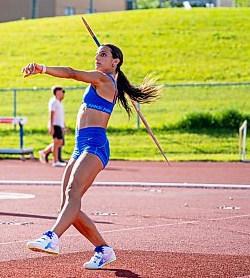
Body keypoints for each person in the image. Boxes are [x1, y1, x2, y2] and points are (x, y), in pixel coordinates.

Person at [22, 43, 161, 269]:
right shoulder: (103, 78)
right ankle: (103, 250)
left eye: (103, 55)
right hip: (80, 145)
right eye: (97, 55)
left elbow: (72, 73)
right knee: (68, 205)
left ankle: (52, 237)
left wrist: (43, 68)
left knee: (72, 193)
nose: (97, 58)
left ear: (115, 62)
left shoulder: (104, 79)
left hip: (95, 145)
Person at [38, 85, 69, 167]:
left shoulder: (59, 102)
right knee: (56, 143)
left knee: (60, 142)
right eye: (62, 92)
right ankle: (55, 161)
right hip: (55, 125)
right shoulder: (54, 102)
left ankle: (44, 152)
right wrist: (51, 126)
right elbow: (51, 114)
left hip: (59, 125)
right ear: (58, 92)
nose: (63, 94)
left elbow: (60, 116)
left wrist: (65, 127)